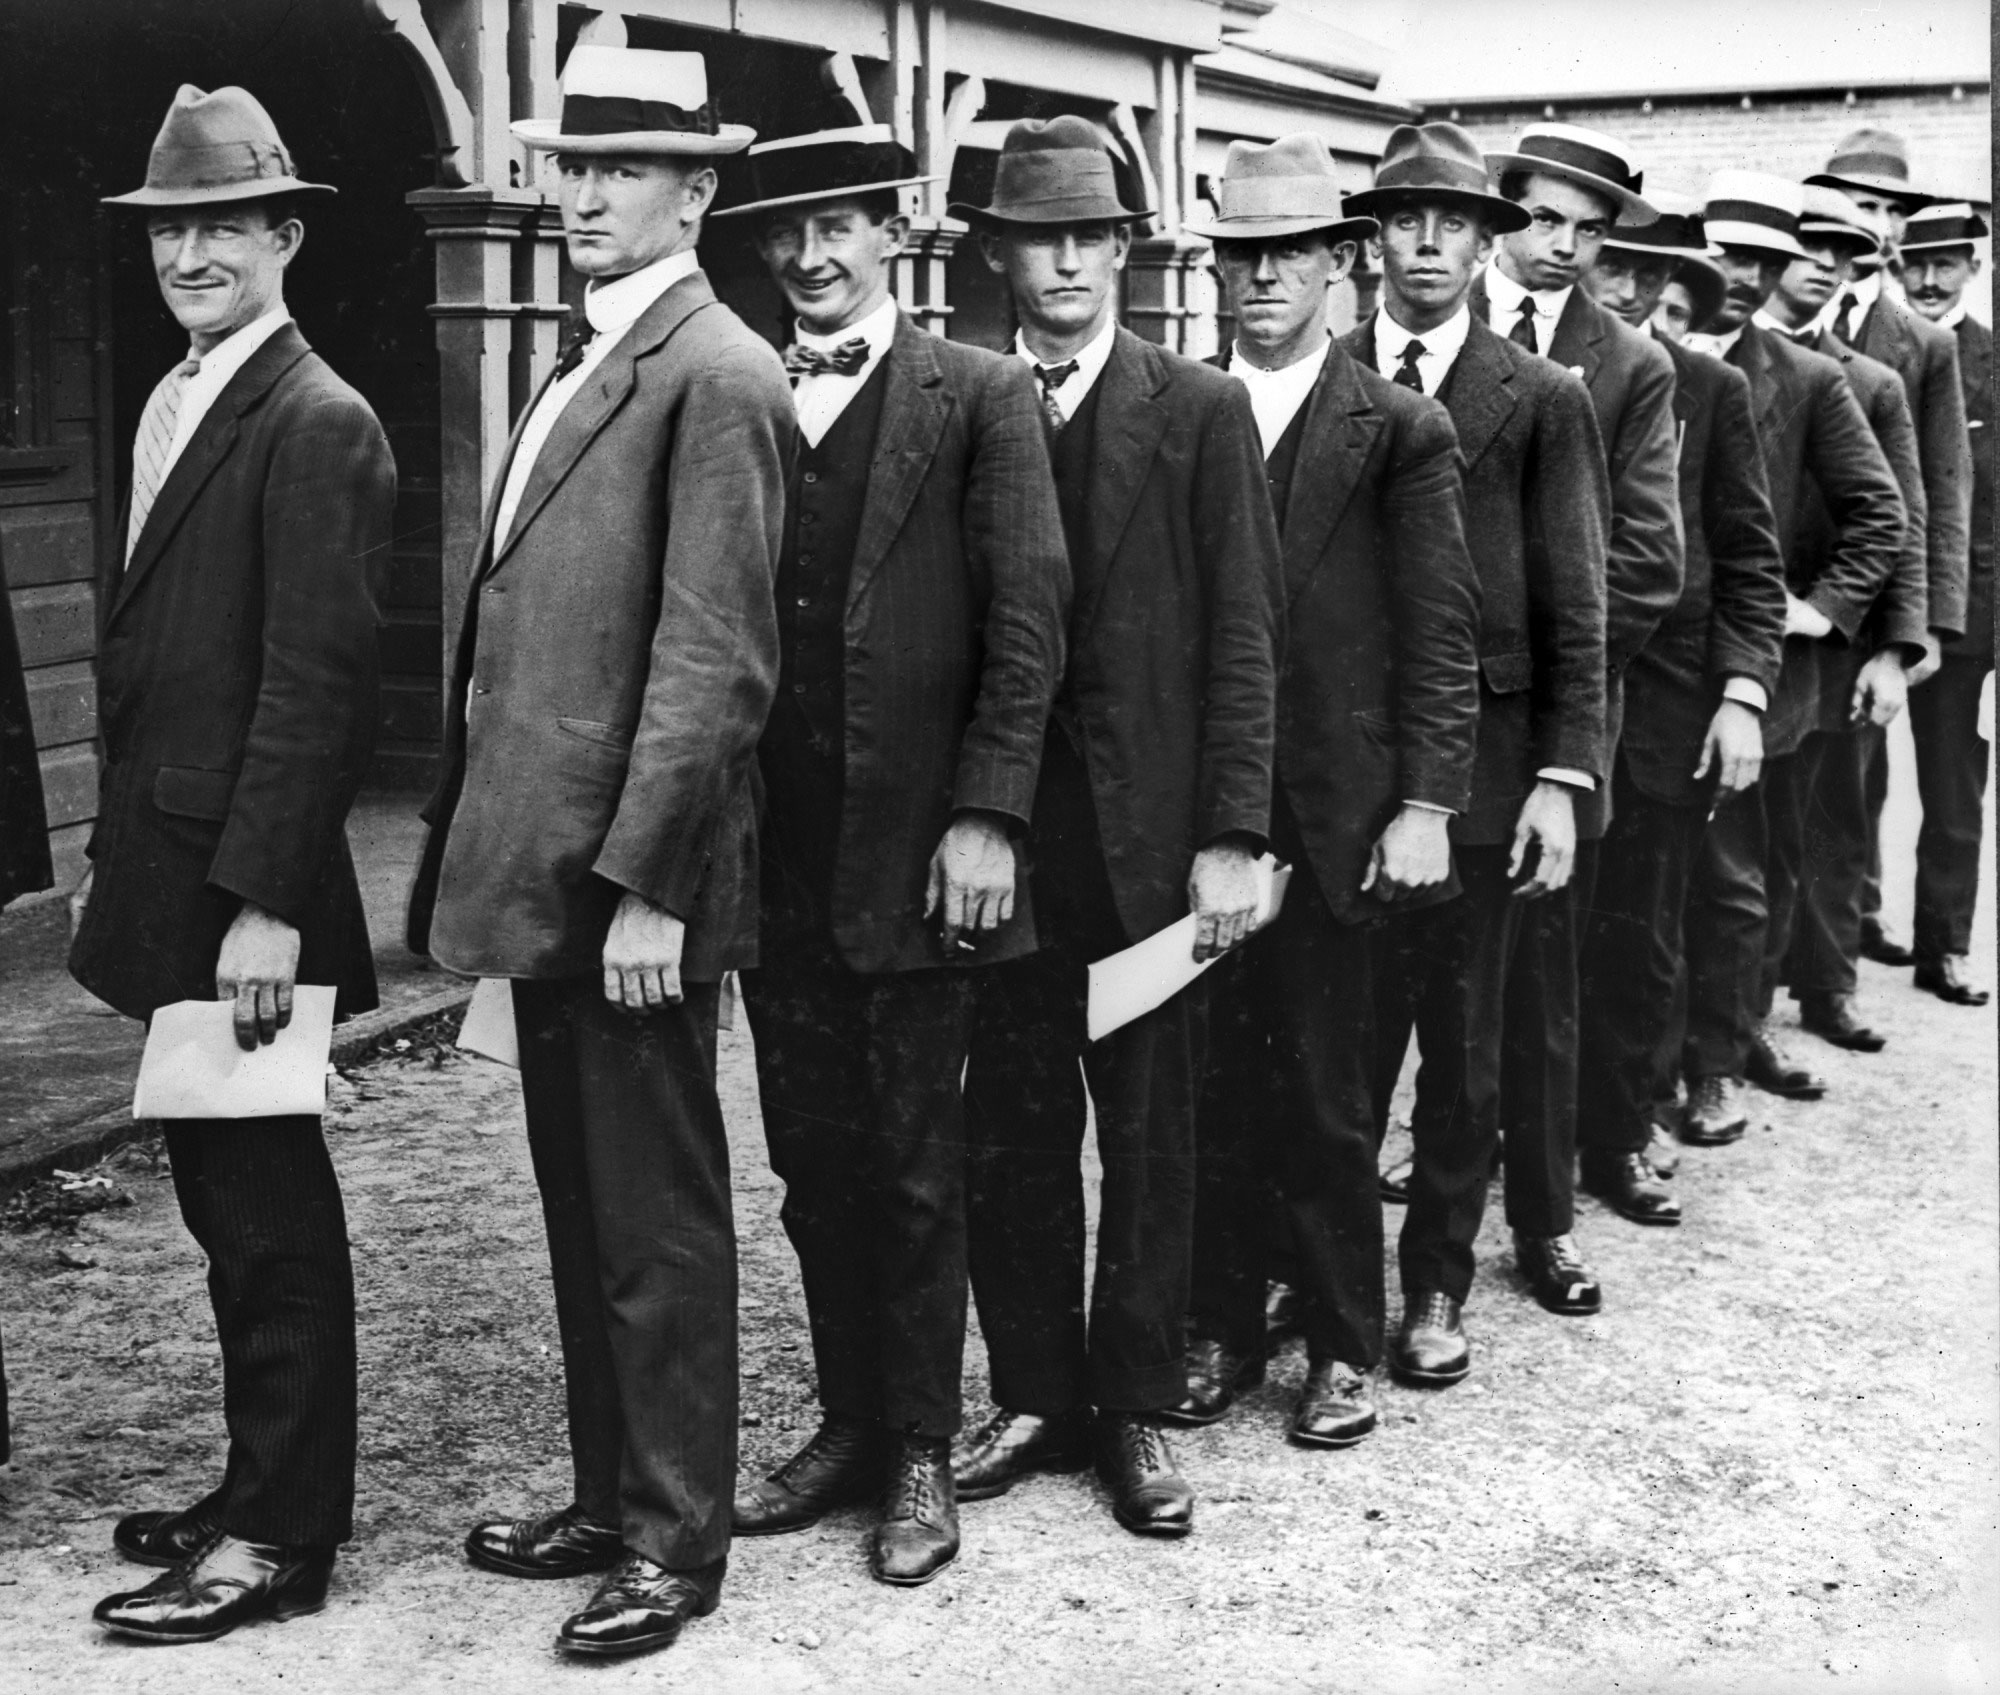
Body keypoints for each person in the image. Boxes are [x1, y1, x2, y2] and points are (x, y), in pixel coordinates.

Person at [406, 47, 790, 1658]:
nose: (578, 197)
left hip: (626, 885)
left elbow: (717, 665)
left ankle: (674, 1535)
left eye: (617, 170)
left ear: (695, 193)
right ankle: (607, 1493)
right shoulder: (593, 358)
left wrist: (652, 885)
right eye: (568, 167)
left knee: (655, 1211)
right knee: (583, 1204)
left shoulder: (719, 370)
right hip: (550, 869)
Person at [718, 119, 1069, 1585]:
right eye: (788, 233)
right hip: (768, 855)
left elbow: (1031, 615)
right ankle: (852, 1419)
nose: (810, 256)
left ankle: (922, 1444)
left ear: (895, 230)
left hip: (925, 856)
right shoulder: (736, 387)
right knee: (811, 1160)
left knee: (922, 1162)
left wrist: (987, 814)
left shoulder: (980, 394)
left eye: (840, 226)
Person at [74, 85, 393, 1644]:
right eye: (168, 228)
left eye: (223, 223)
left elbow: (317, 689)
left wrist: (268, 905)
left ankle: (281, 1531)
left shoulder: (318, 418)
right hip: (176, 867)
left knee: (268, 1216)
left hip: (246, 898)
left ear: (287, 234)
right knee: (227, 1204)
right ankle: (253, 1482)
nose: (191, 251)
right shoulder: (184, 395)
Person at [949, 116, 1279, 1531]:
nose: (1068, 259)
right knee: (1011, 1125)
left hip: (1150, 849)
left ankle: (1135, 1404)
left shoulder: (1196, 410)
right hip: (1008, 846)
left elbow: (1248, 638)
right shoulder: (962, 399)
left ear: (1129, 252)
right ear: (1000, 253)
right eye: (1040, 234)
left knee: (1153, 1130)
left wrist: (1231, 829)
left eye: (1092, 234)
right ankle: (1035, 1388)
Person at [1172, 133, 1479, 1446]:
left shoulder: (1398, 428)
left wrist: (1424, 804)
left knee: (1331, 1088)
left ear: (1338, 266)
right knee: (1206, 1080)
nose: (1259, 284)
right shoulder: (1183, 409)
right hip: (1203, 822)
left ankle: (1344, 1343)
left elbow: (1441, 634)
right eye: (1240, 258)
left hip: (1343, 818)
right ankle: (1225, 1322)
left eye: (1287, 257)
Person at [1346, 122, 1609, 1372]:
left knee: (1462, 1048)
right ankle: (1322, 1277)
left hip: (1494, 781)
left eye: (1452, 224)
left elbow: (1578, 601)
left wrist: (1563, 776)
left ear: (1482, 242)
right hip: (1351, 775)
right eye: (1404, 222)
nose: (1426, 245)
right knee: (1339, 1047)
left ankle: (1433, 1287)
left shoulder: (1539, 397)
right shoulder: (1327, 372)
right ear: (1373, 240)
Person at [1459, 123, 1682, 1291]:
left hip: (1548, 728)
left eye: (1589, 232)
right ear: (1501, 215)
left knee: (1541, 987)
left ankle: (1542, 1220)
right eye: (1544, 220)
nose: (1563, 249)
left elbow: (1644, 563)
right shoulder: (1411, 330)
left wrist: (1541, 700)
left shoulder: (1628, 366)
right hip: (1407, 729)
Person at [1676, 172, 1904, 1144]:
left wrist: (1815, 613)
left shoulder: (1808, 381)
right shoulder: (1641, 358)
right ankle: (1636, 1066)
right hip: (1645, 676)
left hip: (1759, 676)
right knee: (1644, 882)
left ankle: (1716, 1063)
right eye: (1723, 255)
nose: (1736, 278)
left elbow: (1879, 511)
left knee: (1735, 877)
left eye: (1758, 263)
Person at [1574, 196, 1786, 1227]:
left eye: (1647, 280)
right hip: (1554, 715)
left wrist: (1741, 694)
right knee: (1527, 944)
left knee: (1640, 931)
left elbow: (1750, 559)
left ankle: (1621, 1127)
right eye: (1609, 268)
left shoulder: (1710, 389)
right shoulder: (1535, 379)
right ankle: (1502, 1127)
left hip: (1662, 712)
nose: (1623, 293)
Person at [1795, 135, 1973, 1017]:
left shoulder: (1921, 342)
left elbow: (1937, 489)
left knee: (1846, 797)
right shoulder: (1784, 309)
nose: (1873, 226)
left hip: (1867, 616)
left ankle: (1829, 981)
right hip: (1783, 600)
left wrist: (1921, 631)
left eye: (1888, 212)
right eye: (1856, 206)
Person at [1766, 188, 1935, 1055]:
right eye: (1807, 247)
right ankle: (1737, 1016)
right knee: (1750, 837)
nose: (1824, 267)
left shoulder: (1870, 382)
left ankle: (1828, 987)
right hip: (1749, 640)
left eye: (1844, 254)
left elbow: (1902, 517)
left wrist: (1894, 652)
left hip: (1840, 643)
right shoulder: (1711, 363)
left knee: (1836, 820)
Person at [1897, 202, 1994, 1006]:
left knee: (1957, 789)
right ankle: (1832, 941)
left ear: (1975, 266)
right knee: (1847, 785)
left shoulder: (1993, 359)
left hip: (1976, 614)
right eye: (1914, 264)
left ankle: (1946, 945)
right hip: (1892, 606)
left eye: (1947, 263)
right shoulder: (1885, 352)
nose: (1929, 280)